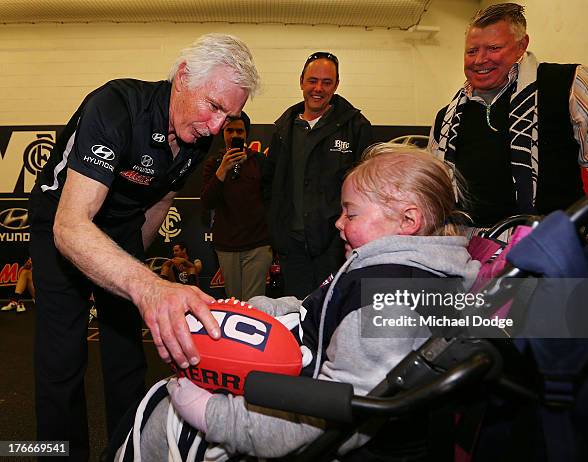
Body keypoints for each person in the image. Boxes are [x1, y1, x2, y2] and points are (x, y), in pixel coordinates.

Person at [112, 143, 481, 461]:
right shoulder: (392, 270)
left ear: (408, 220)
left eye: (350, 213)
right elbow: (315, 310)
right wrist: (256, 308)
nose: (338, 223)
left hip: (319, 434)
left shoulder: (388, 300)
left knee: (165, 417)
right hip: (306, 390)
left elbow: (331, 416)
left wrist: (215, 414)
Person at [28, 33, 259, 459]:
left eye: (229, 116)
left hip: (119, 227)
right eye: (214, 106)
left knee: (126, 355)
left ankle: (128, 449)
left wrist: (132, 260)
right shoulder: (115, 107)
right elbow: (71, 226)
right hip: (62, 221)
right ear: (184, 76)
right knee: (61, 357)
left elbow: (162, 199)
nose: (217, 127)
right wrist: (147, 285)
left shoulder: (199, 135)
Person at [428, 3, 588, 252]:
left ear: (521, 46)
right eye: (472, 51)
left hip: (553, 247)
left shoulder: (569, 85)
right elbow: (433, 190)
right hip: (465, 253)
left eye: (493, 48)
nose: (480, 60)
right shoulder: (445, 119)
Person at [262, 51, 373, 299]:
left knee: (333, 315)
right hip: (292, 250)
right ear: (301, 81)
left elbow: (368, 191)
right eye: (312, 81)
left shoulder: (356, 127)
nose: (318, 89)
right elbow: (269, 185)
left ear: (336, 85)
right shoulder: (283, 128)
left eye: (327, 82)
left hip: (337, 248)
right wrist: (278, 233)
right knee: (299, 316)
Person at [201, 111, 272, 300]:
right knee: (234, 302)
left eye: (239, 131)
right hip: (226, 245)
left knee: (254, 303)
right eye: (229, 131)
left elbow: (271, 200)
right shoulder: (213, 164)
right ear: (222, 133)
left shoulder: (260, 161)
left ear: (246, 134)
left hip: (258, 244)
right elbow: (207, 202)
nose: (234, 136)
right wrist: (222, 170)